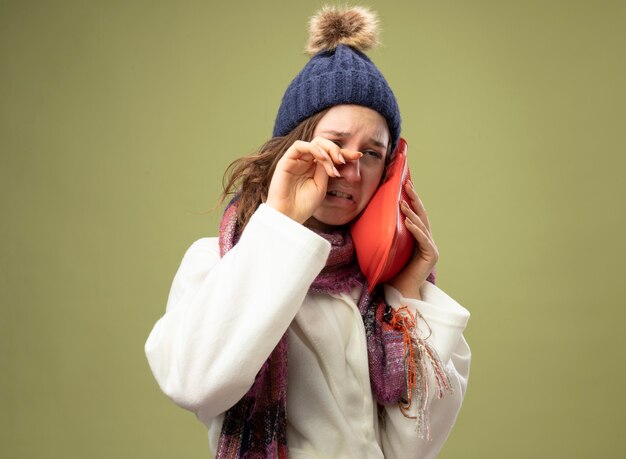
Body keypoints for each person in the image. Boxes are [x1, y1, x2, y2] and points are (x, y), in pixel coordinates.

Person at [145, 5, 470, 458]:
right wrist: (279, 222)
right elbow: (194, 383)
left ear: (391, 174)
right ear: (295, 147)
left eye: (372, 154)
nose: (351, 172)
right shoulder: (218, 262)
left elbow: (412, 449)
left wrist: (410, 294)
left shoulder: (383, 293)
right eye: (334, 144)